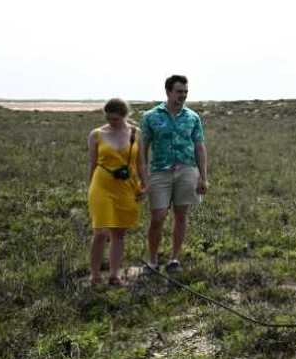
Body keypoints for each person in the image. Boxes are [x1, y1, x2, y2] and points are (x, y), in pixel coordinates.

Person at [139, 75, 208, 273]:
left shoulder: (193, 117)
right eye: (179, 91)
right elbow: (143, 147)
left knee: (181, 215)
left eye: (185, 92)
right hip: (160, 171)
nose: (183, 95)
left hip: (187, 170)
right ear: (168, 92)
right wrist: (142, 176)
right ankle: (152, 260)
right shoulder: (151, 116)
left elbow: (199, 147)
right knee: (158, 216)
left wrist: (203, 176)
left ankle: (174, 259)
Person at [87, 98, 147, 287]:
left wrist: (145, 185)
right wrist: (90, 187)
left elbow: (141, 163)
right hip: (101, 186)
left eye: (116, 119)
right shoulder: (96, 134)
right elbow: (92, 163)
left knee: (119, 233)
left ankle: (114, 275)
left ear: (125, 116)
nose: (112, 122)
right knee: (100, 232)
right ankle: (94, 276)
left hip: (126, 186)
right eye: (109, 119)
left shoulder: (136, 134)